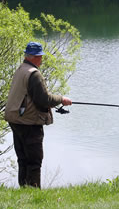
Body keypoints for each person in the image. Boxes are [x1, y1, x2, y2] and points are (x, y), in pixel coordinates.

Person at [5, 42, 72, 188]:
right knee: (34, 161)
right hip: (29, 122)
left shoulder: (21, 69)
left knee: (22, 159)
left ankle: (24, 190)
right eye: (40, 56)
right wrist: (62, 99)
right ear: (35, 57)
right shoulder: (34, 74)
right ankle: (33, 193)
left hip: (16, 120)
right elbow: (43, 99)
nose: (42, 59)